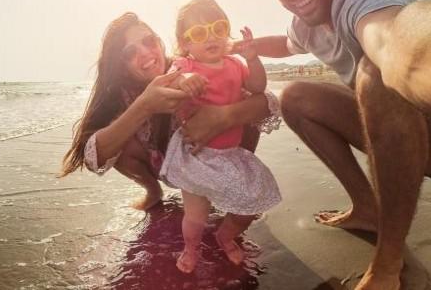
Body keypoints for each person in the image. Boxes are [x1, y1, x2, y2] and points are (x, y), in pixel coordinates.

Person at [242, 0, 431, 290]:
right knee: (296, 97)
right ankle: (367, 209)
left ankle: (388, 264)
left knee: (376, 74)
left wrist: (420, 55)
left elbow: (392, 37)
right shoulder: (305, 21)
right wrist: (252, 47)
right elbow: (287, 45)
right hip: (399, 138)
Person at [60, 12, 281, 212]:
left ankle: (238, 180)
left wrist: (223, 116)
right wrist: (144, 106)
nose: (147, 54)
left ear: (160, 42)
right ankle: (153, 190)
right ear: (120, 65)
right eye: (130, 53)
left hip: (215, 156)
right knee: (119, 137)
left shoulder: (187, 66)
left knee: (243, 103)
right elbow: (92, 156)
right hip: (163, 164)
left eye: (149, 42)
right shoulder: (119, 93)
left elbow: (269, 101)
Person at [159, 0, 281, 273]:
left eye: (218, 27)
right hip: (196, 155)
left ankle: (225, 235)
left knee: (249, 204)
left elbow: (258, 86)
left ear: (227, 31)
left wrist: (253, 58)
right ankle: (191, 247)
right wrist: (185, 81)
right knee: (196, 214)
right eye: (199, 33)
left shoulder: (235, 63)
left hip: (230, 154)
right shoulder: (186, 65)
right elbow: (173, 78)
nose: (210, 36)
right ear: (186, 43)